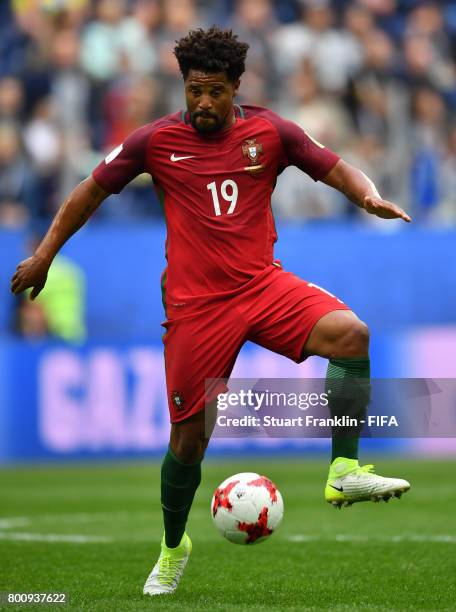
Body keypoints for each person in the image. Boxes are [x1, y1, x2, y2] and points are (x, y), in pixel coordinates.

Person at [11, 27, 411, 597]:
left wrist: (367, 197)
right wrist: (44, 255)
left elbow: (333, 165)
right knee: (190, 442)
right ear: (184, 86)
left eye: (215, 92)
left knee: (351, 335)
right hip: (196, 309)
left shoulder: (270, 132)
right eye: (195, 90)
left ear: (235, 88)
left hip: (262, 287)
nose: (203, 102)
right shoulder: (154, 141)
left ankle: (343, 472)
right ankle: (174, 548)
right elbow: (88, 191)